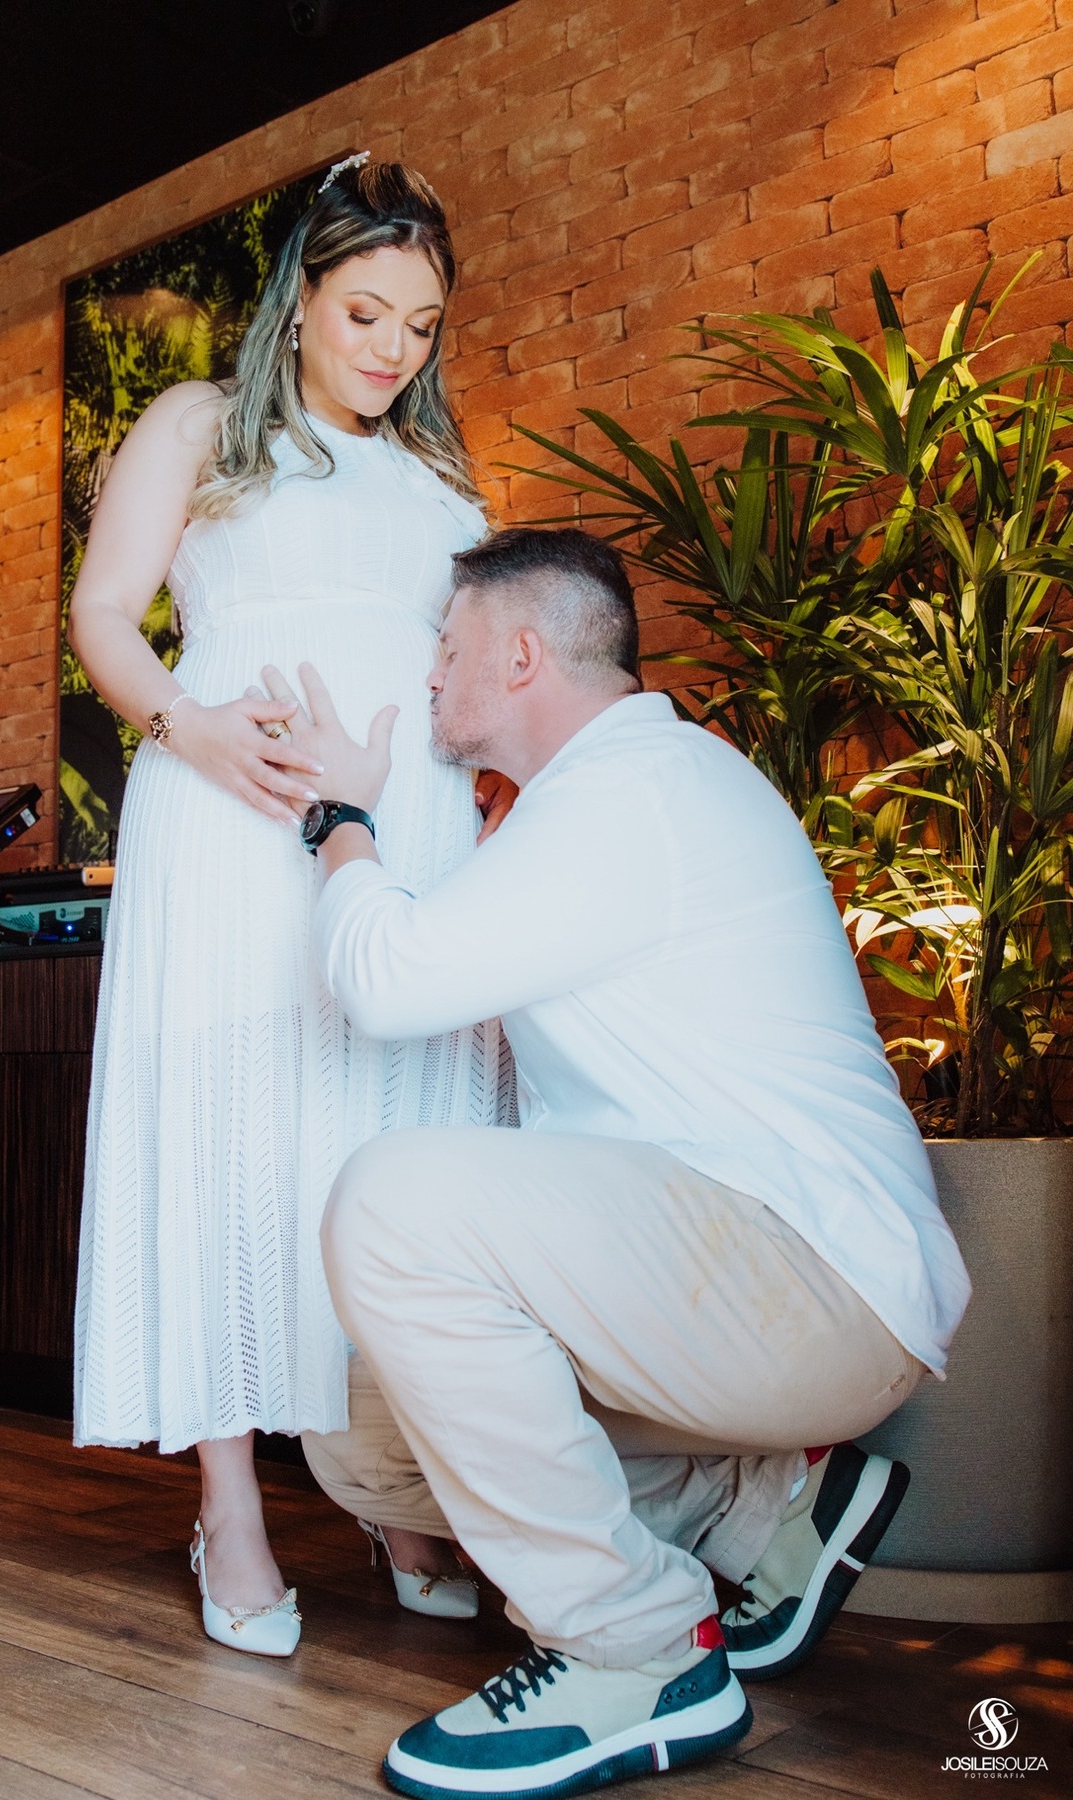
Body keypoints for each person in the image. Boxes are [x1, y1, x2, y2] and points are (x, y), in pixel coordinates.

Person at [262, 525, 972, 1797]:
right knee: (355, 1438)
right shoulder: (596, 801)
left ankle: (633, 1652)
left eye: (448, 645)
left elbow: (384, 978)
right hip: (743, 1283)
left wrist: (338, 818)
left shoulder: (632, 789)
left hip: (811, 1279)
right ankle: (761, 1514)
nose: (429, 672)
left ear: (521, 654)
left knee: (393, 1204)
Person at [66, 156, 514, 1657]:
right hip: (231, 824)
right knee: (236, 1140)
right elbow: (103, 615)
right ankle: (232, 1506)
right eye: (366, 312)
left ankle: (387, 1483)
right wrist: (189, 727)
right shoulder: (201, 424)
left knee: (385, 1144)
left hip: (406, 836)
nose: (393, 348)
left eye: (422, 325)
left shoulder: (441, 475)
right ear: (301, 298)